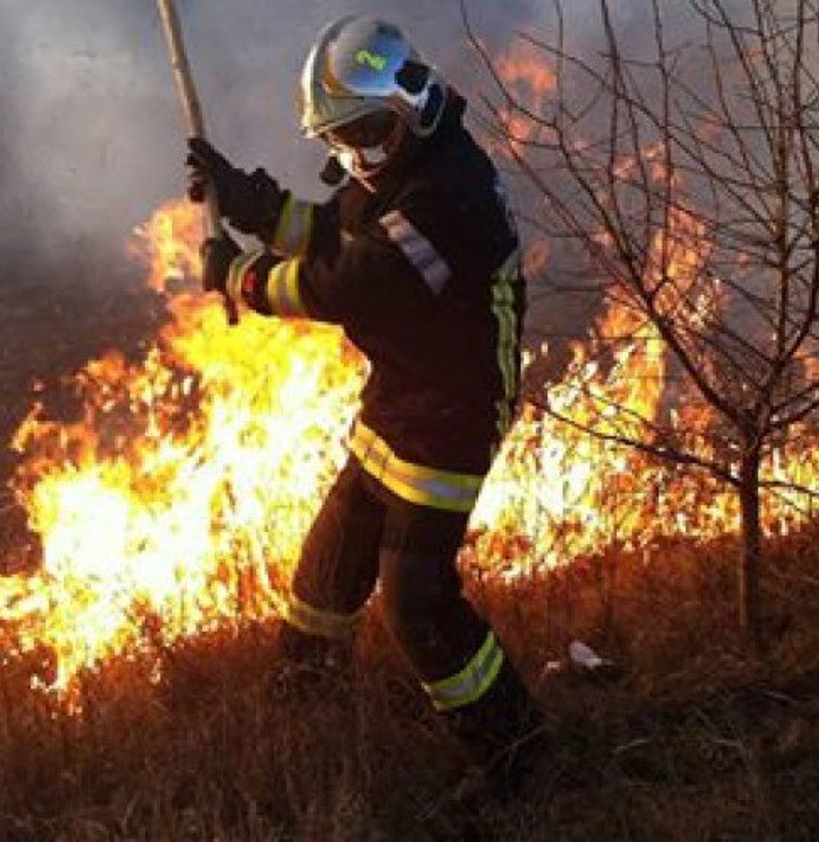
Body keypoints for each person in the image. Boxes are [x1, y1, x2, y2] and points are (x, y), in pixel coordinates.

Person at [186, 15, 543, 786]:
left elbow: (349, 281)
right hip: (403, 393)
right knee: (331, 563)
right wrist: (251, 203)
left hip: (456, 410)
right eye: (342, 142)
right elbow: (334, 228)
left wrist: (240, 277)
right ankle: (303, 703)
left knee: (418, 605)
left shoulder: (447, 192)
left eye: (366, 137)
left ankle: (519, 757)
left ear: (406, 102)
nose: (355, 158)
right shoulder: (409, 160)